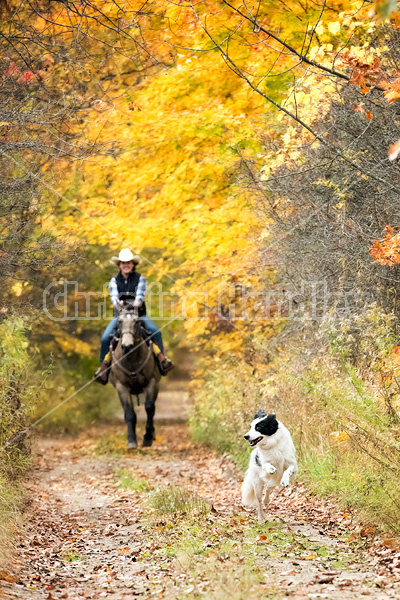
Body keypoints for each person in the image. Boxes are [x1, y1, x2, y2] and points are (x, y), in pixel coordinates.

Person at [95, 248, 174, 383]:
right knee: (105, 339)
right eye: (123, 263)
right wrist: (120, 303)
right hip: (120, 316)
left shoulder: (140, 279)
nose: (126, 265)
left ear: (133, 264)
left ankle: (162, 361)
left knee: (155, 332)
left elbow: (139, 298)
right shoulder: (114, 281)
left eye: (129, 262)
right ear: (119, 265)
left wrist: (126, 302)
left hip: (139, 315)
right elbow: (114, 299)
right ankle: (104, 369)